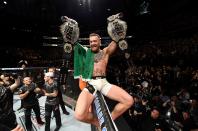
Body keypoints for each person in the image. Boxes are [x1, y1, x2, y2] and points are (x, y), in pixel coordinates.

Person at [74, 33, 134, 127]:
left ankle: (109, 119)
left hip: (104, 83)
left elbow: (114, 43)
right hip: (91, 84)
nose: (92, 43)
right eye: (90, 41)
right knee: (79, 115)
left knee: (129, 101)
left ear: (99, 42)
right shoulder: (86, 53)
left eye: (95, 41)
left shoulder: (104, 52)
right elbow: (75, 46)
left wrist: (118, 34)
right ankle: (97, 123)